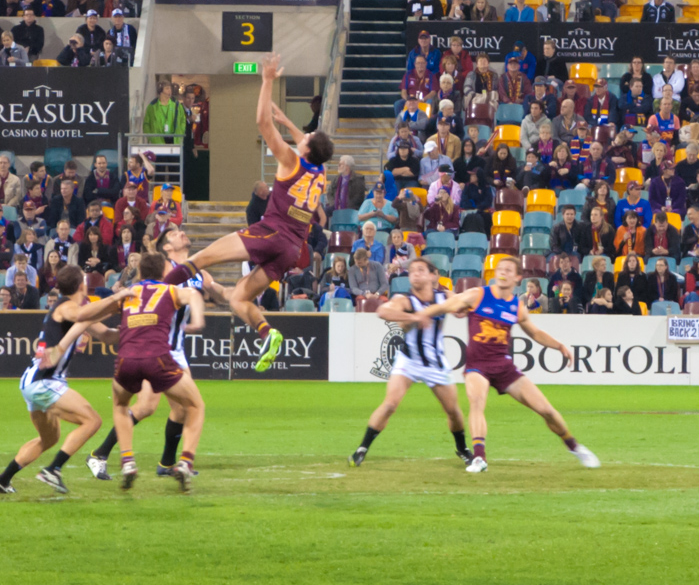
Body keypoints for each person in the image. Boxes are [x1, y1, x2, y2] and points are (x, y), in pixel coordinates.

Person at [163, 53, 332, 373]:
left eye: (305, 138)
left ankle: (154, 295)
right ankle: (268, 333)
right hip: (292, 249)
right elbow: (308, 143)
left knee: (198, 260)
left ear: (306, 149)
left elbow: (261, 124)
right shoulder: (320, 173)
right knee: (238, 300)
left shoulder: (291, 161)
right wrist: (291, 125)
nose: (302, 137)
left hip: (271, 233)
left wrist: (267, 81)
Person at [412, 257, 600, 474]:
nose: (502, 272)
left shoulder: (516, 306)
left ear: (517, 277)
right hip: (477, 365)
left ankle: (575, 447)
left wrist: (560, 346)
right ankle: (479, 458)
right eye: (500, 268)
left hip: (504, 367)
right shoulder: (478, 295)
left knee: (546, 410)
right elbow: (446, 305)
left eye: (508, 270)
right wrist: (421, 315)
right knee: (476, 402)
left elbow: (535, 333)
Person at [85, 227, 227, 482]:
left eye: (182, 231)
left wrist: (224, 293)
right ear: (166, 247)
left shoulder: (198, 271)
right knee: (151, 406)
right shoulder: (165, 272)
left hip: (176, 348)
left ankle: (166, 462)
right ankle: (102, 453)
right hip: (157, 347)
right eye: (175, 233)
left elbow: (221, 295)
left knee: (181, 409)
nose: (182, 233)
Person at [0, 268, 126, 495]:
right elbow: (86, 314)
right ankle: (53, 469)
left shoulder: (75, 311)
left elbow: (107, 335)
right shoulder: (67, 307)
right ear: (81, 285)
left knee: (49, 438)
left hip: (33, 380)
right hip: (46, 380)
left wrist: (128, 329)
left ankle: (2, 480)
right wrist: (116, 299)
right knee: (92, 421)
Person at [349, 257, 471, 468]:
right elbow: (382, 311)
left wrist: (463, 309)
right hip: (409, 361)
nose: (415, 274)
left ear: (433, 275)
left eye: (421, 270)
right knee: (389, 404)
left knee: (453, 410)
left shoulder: (444, 296)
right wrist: (415, 318)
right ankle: (362, 448)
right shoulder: (405, 300)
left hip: (435, 362)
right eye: (412, 271)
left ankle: (462, 448)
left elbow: (463, 307)